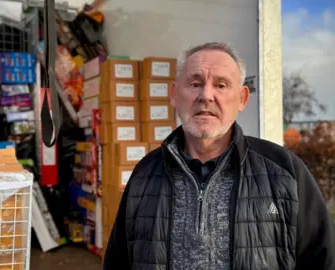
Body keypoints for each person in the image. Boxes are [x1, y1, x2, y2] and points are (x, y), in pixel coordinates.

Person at [103, 42, 335, 270]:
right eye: (195, 84)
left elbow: (322, 259)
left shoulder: (284, 172)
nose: (206, 95)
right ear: (174, 94)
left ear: (242, 99)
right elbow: (118, 261)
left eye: (221, 85)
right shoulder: (145, 174)